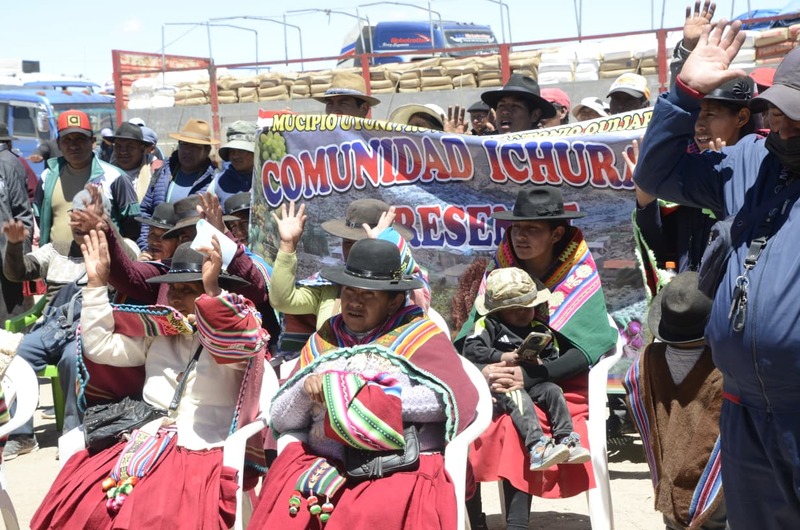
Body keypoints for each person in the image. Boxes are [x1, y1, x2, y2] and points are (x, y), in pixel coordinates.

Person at [633, 19, 800, 528]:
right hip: (743, 407)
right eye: (779, 111)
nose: (786, 126)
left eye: (799, 115)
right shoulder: (752, 160)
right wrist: (684, 94)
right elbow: (656, 176)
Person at [31, 234, 268, 529]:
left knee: (155, 516)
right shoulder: (160, 332)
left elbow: (231, 341)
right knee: (80, 503)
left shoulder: (240, 338)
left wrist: (211, 292)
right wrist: (96, 285)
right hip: (144, 439)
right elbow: (100, 346)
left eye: (188, 289)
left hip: (203, 451)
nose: (175, 297)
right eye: (173, 289)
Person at [248, 238, 478, 529]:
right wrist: (307, 389)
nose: (355, 302)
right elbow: (281, 417)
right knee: (284, 510)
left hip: (396, 464)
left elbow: (447, 401)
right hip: (324, 459)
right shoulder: (325, 338)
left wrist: (359, 396)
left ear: (394, 301)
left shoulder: (420, 336)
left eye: (369, 294)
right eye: (349, 291)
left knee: (374, 512)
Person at [454, 187, 617, 530]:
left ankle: (517, 525)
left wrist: (531, 377)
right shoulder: (503, 267)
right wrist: (485, 371)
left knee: (514, 424)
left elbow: (587, 349)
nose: (521, 236)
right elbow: (473, 336)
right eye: (517, 228)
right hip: (500, 378)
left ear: (556, 234)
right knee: (463, 416)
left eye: (532, 229)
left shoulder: (577, 270)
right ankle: (475, 521)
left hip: (560, 380)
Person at [1, 189, 138, 459]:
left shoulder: (122, 248)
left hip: (88, 328)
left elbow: (132, 267)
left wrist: (106, 230)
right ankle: (21, 434)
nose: (77, 223)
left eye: (85, 216)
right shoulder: (56, 250)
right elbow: (17, 273)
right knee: (15, 358)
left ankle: (72, 435)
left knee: (72, 360)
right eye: (74, 215)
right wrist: (15, 246)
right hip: (51, 328)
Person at [631, 75, 756, 297]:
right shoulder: (679, 172)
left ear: (741, 117)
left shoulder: (759, 172)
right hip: (687, 304)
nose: (699, 125)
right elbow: (662, 250)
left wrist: (722, 188)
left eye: (710, 114)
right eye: (696, 114)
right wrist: (645, 200)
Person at [624, 271, 725, 529]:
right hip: (713, 483)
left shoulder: (646, 361)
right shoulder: (723, 366)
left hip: (668, 473)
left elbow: (636, 399)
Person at [463, 267, 591, 470]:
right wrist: (502, 356)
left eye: (528, 307)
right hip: (502, 387)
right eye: (515, 309)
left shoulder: (540, 330)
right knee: (516, 395)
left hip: (532, 382)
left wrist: (539, 364)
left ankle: (566, 439)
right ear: (499, 310)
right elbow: (471, 350)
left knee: (553, 390)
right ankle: (537, 447)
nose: (523, 312)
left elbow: (552, 357)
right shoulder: (488, 325)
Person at [270, 198, 430, 355]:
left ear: (393, 303)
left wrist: (378, 251)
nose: (353, 250)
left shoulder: (403, 289)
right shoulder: (328, 286)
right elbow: (283, 301)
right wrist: (287, 245)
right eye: (347, 243)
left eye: (361, 243)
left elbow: (416, 302)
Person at [34, 109, 141, 247]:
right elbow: (39, 217)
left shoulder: (115, 177)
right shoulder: (47, 177)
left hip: (102, 258)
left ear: (93, 142)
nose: (73, 145)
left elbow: (132, 226)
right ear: (59, 144)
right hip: (57, 259)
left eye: (80, 139)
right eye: (67, 140)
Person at [138, 118, 218, 249]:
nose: (188, 151)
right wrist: (146, 246)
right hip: (159, 249)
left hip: (192, 252)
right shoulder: (163, 172)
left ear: (207, 151)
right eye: (184, 145)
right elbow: (146, 212)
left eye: (195, 147)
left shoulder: (214, 181)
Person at [0, 122, 35, 323]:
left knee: (10, 321)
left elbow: (22, 214)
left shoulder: (8, 163)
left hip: (7, 256)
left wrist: (20, 260)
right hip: (8, 254)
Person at [480, 73, 556, 134]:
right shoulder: (483, 145)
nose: (505, 111)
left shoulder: (548, 147)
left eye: (515, 105)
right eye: (501, 105)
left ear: (535, 115)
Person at [108, 122, 157, 202]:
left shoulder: (155, 171)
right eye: (118, 146)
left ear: (142, 149)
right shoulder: (106, 174)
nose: (123, 151)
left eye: (130, 147)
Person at [215, 121, 258, 207]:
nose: (235, 156)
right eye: (232, 151)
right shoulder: (217, 184)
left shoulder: (268, 180)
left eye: (241, 151)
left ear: (255, 152)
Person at [313, 71, 380, 118]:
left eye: (343, 104)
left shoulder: (376, 134)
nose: (333, 112)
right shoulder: (320, 134)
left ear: (364, 109)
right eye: (329, 104)